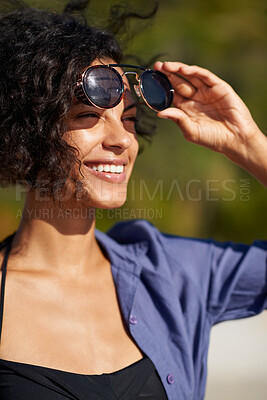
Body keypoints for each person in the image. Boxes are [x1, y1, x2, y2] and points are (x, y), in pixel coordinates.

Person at [0, 1, 266, 400]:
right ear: (27, 131)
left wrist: (250, 146)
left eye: (127, 119)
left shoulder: (174, 275)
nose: (122, 140)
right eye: (88, 115)